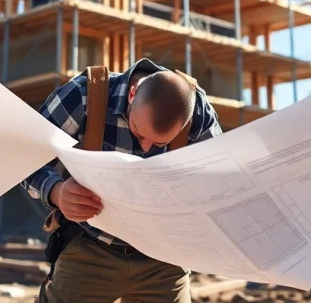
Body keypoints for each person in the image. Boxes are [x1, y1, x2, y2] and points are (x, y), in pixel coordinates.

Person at [22, 58, 223, 303]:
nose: (146, 148)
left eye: (160, 144)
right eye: (139, 131)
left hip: (165, 260)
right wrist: (56, 191)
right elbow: (25, 156)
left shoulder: (198, 111)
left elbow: (218, 180)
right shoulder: (85, 95)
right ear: (132, 93)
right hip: (92, 251)